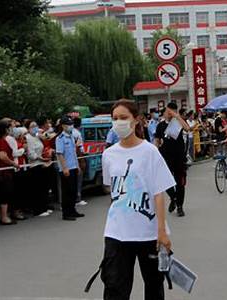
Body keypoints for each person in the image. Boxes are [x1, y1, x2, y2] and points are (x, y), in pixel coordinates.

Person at [98, 99, 174, 300]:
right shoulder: (109, 155)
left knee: (154, 286)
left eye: (124, 118)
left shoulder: (150, 152)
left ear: (136, 120)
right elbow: (113, 191)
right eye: (115, 119)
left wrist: (161, 232)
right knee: (114, 286)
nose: (119, 123)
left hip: (148, 233)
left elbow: (158, 193)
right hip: (117, 232)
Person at [154, 102, 190, 217]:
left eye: (171, 112)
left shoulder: (178, 122)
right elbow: (157, 139)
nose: (168, 114)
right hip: (165, 157)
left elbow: (187, 128)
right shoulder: (160, 125)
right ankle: (173, 197)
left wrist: (177, 116)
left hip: (179, 157)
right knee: (166, 181)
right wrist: (155, 150)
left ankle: (180, 206)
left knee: (180, 183)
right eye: (167, 112)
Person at [56, 116, 85, 221]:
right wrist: (64, 168)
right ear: (63, 126)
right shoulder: (60, 138)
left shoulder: (72, 137)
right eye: (68, 124)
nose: (71, 126)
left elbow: (73, 154)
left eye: (71, 124)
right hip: (66, 168)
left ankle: (73, 210)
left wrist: (77, 166)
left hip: (73, 166)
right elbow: (60, 154)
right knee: (66, 191)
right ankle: (66, 213)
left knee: (73, 190)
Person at [25, 120, 53, 217]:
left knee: (44, 187)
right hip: (34, 165)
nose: (35, 127)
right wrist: (39, 157)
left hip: (42, 164)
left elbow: (48, 137)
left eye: (36, 125)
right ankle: (38, 209)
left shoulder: (37, 136)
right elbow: (31, 154)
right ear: (28, 128)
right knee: (37, 188)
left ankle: (44, 207)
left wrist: (42, 134)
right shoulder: (27, 138)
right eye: (32, 126)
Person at [0, 120, 20, 225]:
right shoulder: (1, 141)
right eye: (9, 127)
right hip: (3, 172)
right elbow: (2, 156)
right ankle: (4, 217)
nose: (11, 129)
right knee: (4, 194)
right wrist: (13, 163)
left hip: (4, 171)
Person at [72, 117, 88, 206]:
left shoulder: (71, 133)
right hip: (78, 157)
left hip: (74, 157)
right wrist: (82, 160)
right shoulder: (77, 133)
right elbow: (78, 148)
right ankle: (78, 198)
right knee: (79, 178)